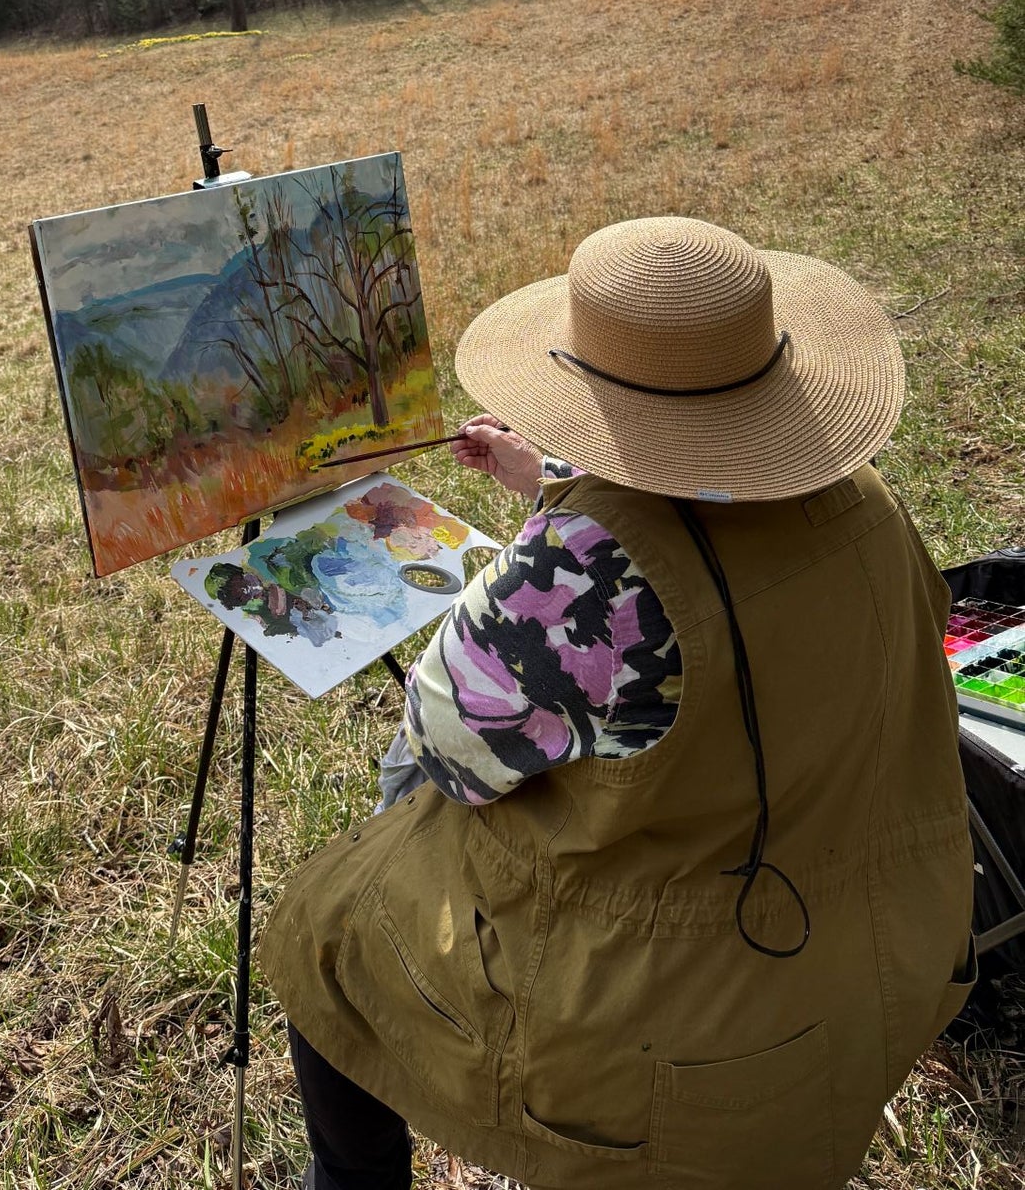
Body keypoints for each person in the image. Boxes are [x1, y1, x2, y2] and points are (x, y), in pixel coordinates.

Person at [258, 216, 976, 1190]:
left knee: (326, 932)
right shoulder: (862, 496)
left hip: (685, 1021)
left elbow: (444, 750)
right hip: (884, 935)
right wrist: (559, 484)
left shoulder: (586, 564)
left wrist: (564, 528)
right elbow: (718, 532)